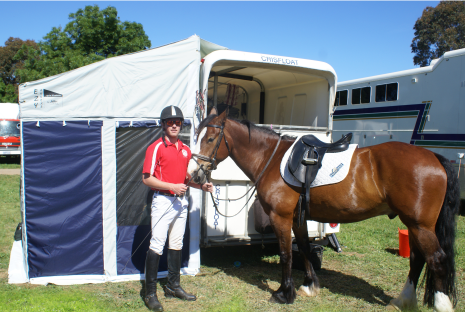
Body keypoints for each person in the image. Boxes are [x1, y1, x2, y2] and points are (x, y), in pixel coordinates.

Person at [141, 105, 213, 311]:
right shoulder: (155, 147)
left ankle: (173, 286)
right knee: (157, 243)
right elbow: (147, 179)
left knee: (176, 243)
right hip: (163, 200)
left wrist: (201, 186)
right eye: (170, 122)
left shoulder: (186, 149)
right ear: (163, 125)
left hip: (181, 202)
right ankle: (150, 293)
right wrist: (171, 186)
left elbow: (184, 180)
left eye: (178, 122)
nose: (174, 125)